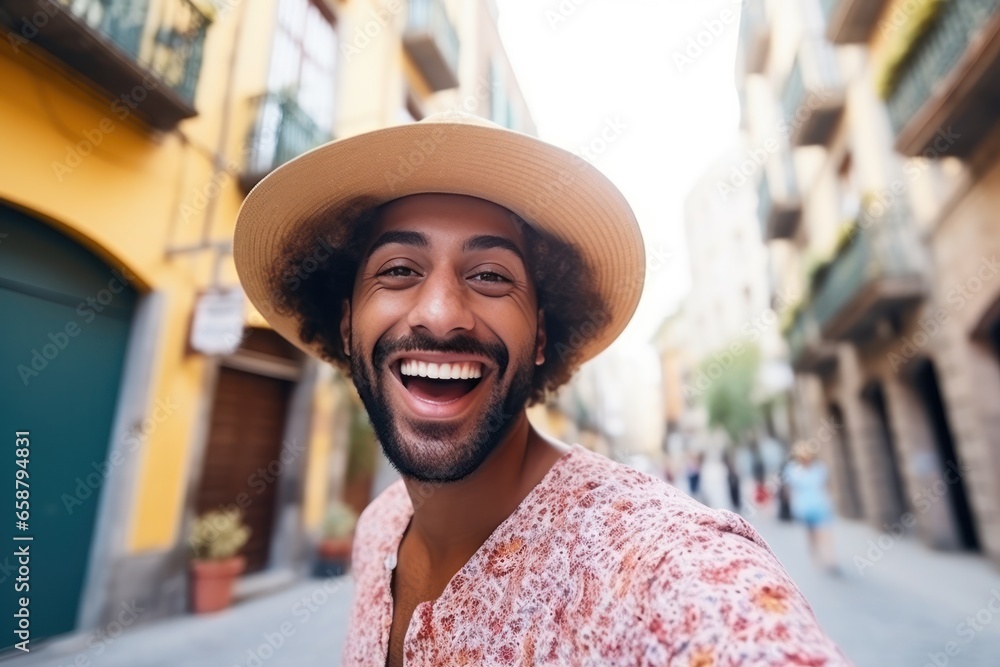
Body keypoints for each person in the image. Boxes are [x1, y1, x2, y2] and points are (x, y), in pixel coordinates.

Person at [233, 112, 849, 665]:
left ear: (542, 337)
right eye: (398, 270)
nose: (442, 314)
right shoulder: (375, 531)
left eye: (491, 275)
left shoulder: (662, 569)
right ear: (346, 324)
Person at [785, 441, 840, 574]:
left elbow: (826, 486)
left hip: (820, 505)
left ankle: (830, 560)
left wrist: (830, 500)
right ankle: (816, 557)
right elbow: (790, 490)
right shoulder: (793, 470)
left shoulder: (819, 468)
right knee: (811, 535)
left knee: (824, 533)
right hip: (804, 508)